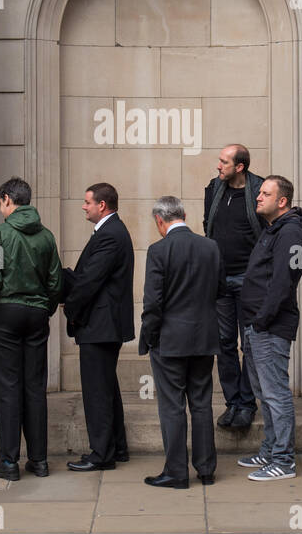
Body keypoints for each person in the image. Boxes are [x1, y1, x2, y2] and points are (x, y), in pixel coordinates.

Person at [0, 177, 63, 481]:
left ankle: (9, 462)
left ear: (6, 199)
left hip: (4, 316)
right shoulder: (46, 238)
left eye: (0, 202)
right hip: (36, 315)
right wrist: (44, 310)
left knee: (8, 388)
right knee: (34, 387)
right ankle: (39, 461)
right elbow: (55, 283)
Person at [139, 196, 225, 489]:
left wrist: (149, 337)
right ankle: (206, 470)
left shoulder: (158, 250)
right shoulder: (211, 247)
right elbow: (221, 289)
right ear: (184, 215)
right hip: (204, 337)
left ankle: (176, 472)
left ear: (160, 221)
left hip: (169, 340)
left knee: (172, 407)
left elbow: (153, 302)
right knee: (201, 404)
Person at [237, 175, 302, 481]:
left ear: (282, 201)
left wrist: (261, 320)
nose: (258, 197)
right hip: (258, 326)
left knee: (275, 393)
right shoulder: (275, 230)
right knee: (264, 393)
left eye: (265, 193)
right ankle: (270, 450)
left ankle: (283, 460)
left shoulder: (291, 233)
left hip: (269, 327)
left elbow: (284, 282)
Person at [63, 183, 135, 472]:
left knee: (96, 391)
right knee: (106, 387)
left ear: (102, 205)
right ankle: (116, 447)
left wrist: (69, 308)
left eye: (87, 202)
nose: (84, 206)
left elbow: (89, 282)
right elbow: (87, 277)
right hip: (104, 324)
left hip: (100, 325)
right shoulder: (110, 232)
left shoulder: (110, 235)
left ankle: (102, 454)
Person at [203, 144, 263, 430]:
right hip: (220, 280)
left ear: (240, 167)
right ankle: (233, 402)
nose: (218, 166)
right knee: (224, 344)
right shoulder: (214, 189)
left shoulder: (260, 191)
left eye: (224, 162)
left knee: (249, 344)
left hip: (249, 281)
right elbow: (208, 225)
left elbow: (269, 234)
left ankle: (247, 405)